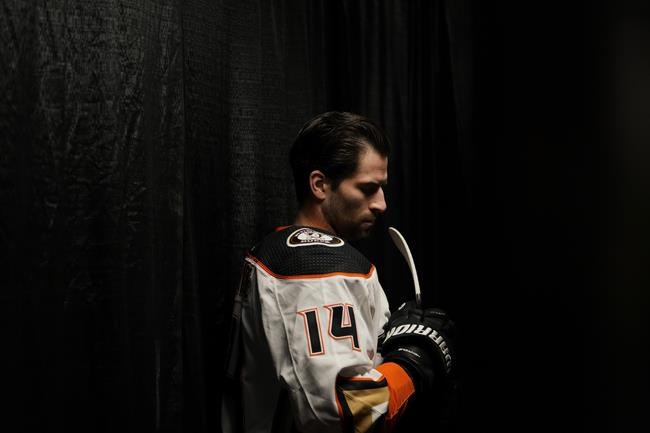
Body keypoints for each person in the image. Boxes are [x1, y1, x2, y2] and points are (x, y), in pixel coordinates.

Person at [221, 111, 456, 433]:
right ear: (320, 185)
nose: (381, 204)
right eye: (368, 188)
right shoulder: (315, 268)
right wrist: (411, 361)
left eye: (382, 188)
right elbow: (349, 411)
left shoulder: (275, 249)